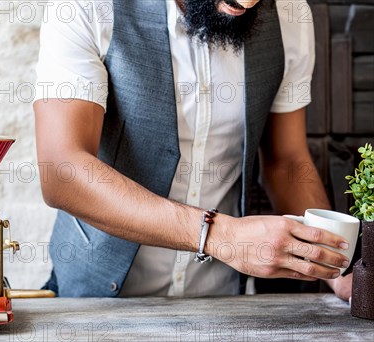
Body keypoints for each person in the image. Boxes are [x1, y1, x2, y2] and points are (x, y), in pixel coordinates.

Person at [33, 0, 352, 299]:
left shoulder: (289, 14)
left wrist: (340, 265)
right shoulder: (85, 7)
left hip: (219, 301)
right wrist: (220, 236)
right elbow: (63, 170)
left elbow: (287, 162)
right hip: (97, 300)